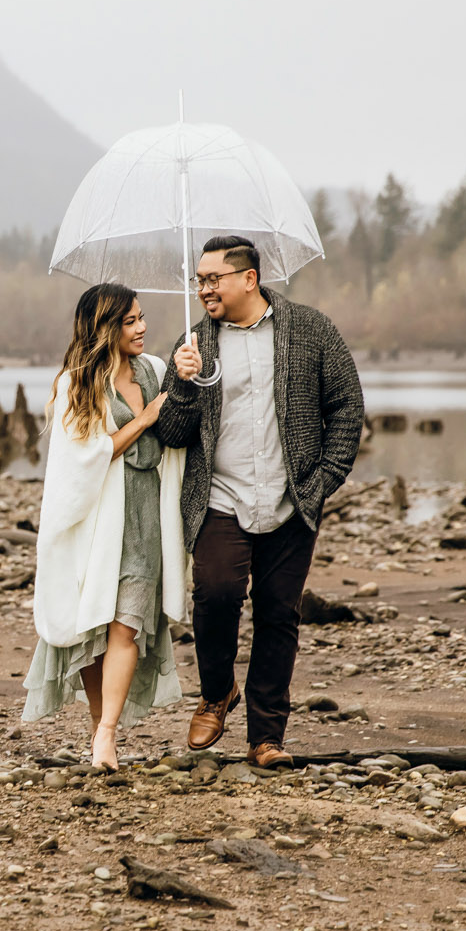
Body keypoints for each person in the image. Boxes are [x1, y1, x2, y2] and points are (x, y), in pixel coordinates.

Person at [156, 235, 365, 767]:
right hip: (221, 499)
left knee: (278, 615)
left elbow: (347, 407)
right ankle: (216, 691)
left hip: (291, 501)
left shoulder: (311, 330)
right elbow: (173, 435)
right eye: (198, 280)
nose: (203, 289)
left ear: (248, 278)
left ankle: (266, 738)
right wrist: (180, 385)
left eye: (212, 279)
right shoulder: (193, 343)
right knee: (216, 596)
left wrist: (319, 484)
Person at [23, 283, 191, 769]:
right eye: (130, 321)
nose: (142, 328)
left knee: (126, 627)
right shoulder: (76, 384)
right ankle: (102, 731)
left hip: (146, 518)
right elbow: (86, 458)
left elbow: (180, 426)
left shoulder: (155, 370)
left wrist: (185, 381)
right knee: (97, 625)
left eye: (142, 318)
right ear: (105, 328)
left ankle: (107, 734)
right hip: (99, 521)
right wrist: (144, 420)